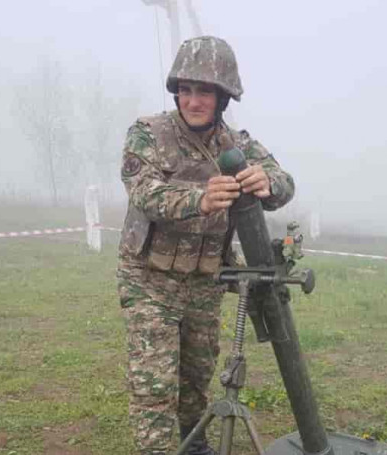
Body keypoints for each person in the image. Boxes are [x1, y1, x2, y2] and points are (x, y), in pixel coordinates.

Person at [116, 36, 295, 455]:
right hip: (150, 280)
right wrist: (200, 199)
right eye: (186, 90)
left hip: (204, 281)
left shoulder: (238, 145)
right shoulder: (148, 134)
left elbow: (285, 182)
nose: (193, 101)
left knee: (197, 374)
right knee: (154, 382)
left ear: (223, 98)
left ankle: (193, 445)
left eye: (204, 92)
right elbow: (143, 192)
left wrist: (267, 182)